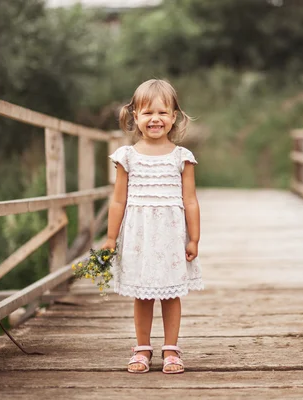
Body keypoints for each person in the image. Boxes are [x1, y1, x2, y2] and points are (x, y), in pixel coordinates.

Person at [102, 79, 204, 374]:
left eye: (162, 112)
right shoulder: (127, 156)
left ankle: (171, 348)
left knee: (171, 294)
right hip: (138, 236)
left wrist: (193, 238)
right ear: (135, 117)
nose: (155, 119)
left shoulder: (181, 157)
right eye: (147, 113)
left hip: (171, 236)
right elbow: (118, 201)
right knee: (143, 294)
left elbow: (191, 201)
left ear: (174, 117)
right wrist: (111, 238)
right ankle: (142, 347)